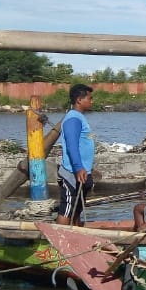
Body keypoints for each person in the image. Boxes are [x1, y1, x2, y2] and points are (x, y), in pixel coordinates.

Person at [55, 83, 95, 226]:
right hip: (72, 172)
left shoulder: (79, 117)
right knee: (67, 208)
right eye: (89, 98)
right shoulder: (73, 119)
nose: (92, 101)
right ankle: (59, 241)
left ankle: (76, 238)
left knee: (77, 208)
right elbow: (72, 146)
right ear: (79, 100)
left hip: (82, 172)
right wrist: (78, 167)